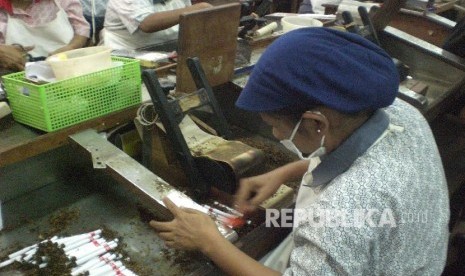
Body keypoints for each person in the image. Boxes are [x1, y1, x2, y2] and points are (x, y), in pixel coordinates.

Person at [150, 27, 450, 275]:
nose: (276, 135)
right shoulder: (400, 113)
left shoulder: (344, 210)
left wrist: (210, 242)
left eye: (275, 125)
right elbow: (356, 157)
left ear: (316, 123)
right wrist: (285, 172)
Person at [0, 0, 90, 64]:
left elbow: (82, 28)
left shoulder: (61, 2)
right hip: (18, 74)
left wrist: (71, 47)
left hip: (65, 65)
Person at [100, 0, 212, 50]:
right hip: (127, 59)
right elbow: (147, 23)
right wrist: (197, 9)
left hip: (168, 54)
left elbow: (187, 21)